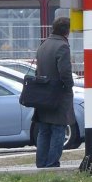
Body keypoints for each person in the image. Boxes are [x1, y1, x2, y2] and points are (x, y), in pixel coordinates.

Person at [33, 16, 75, 168]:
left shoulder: (43, 45)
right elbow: (65, 72)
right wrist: (69, 86)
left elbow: (39, 70)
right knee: (58, 129)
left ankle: (41, 164)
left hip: (43, 95)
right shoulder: (62, 46)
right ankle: (52, 164)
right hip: (58, 95)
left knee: (44, 130)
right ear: (67, 31)